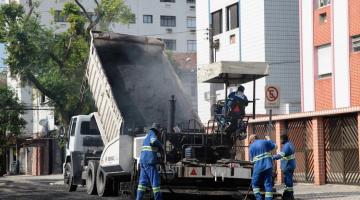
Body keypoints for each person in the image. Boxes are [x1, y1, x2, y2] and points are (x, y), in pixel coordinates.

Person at [136, 123, 164, 200]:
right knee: (155, 182)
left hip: (143, 162)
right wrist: (161, 145)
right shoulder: (152, 134)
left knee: (142, 183)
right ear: (157, 130)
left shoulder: (147, 135)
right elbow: (153, 141)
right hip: (149, 162)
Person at [249, 134, 276, 200]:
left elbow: (252, 161)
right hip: (268, 166)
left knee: (255, 184)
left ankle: (259, 198)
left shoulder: (251, 146)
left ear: (252, 140)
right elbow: (275, 146)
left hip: (258, 167)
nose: (250, 143)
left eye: (250, 142)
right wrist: (269, 139)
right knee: (268, 184)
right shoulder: (265, 142)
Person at [273, 133, 296, 200]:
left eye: (280, 139)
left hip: (288, 166)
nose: (280, 141)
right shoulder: (290, 144)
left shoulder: (286, 146)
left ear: (283, 139)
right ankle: (287, 195)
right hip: (290, 165)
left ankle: (289, 196)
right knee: (287, 181)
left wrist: (272, 157)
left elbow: (281, 155)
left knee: (288, 181)